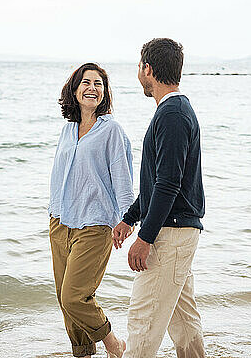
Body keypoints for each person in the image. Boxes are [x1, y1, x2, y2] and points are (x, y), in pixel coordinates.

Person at [112, 38, 206, 358]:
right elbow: (157, 183)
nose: (139, 72)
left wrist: (146, 237)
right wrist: (130, 217)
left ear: (147, 69)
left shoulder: (172, 114)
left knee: (143, 321)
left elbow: (168, 184)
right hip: (177, 231)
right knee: (184, 323)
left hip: (171, 234)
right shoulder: (174, 111)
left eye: (140, 66)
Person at [49, 63, 132, 358]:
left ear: (105, 93)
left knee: (74, 296)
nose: (92, 88)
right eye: (86, 82)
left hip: (95, 224)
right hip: (61, 221)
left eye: (98, 84)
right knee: (64, 298)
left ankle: (112, 343)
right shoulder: (68, 128)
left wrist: (127, 218)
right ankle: (83, 353)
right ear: (74, 89)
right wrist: (53, 212)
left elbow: (122, 177)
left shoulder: (111, 131)